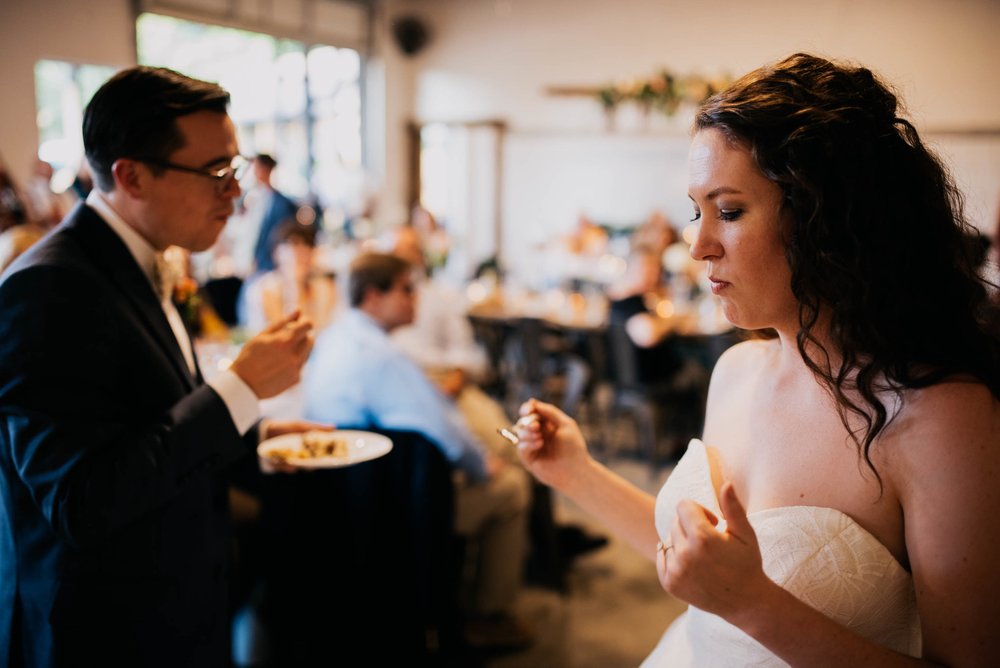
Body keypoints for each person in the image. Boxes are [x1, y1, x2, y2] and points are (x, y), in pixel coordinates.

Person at [514, 53, 1000, 666]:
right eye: (696, 211)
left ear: (828, 220)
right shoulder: (736, 370)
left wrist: (753, 605)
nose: (697, 246)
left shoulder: (941, 417)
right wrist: (574, 472)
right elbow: (703, 563)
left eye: (731, 211)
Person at [0, 66, 320, 668]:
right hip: (104, 632)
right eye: (216, 173)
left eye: (236, 168)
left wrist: (256, 435)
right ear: (131, 176)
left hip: (177, 605)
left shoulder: (143, 259)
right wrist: (240, 388)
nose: (236, 192)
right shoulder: (48, 287)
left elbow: (152, 420)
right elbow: (80, 500)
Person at [303, 252, 534, 650]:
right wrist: (482, 467)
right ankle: (489, 615)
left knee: (502, 447)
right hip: (393, 510)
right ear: (373, 296)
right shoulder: (382, 356)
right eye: (407, 290)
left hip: (341, 497)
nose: (416, 299)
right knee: (512, 487)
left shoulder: (338, 335)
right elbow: (443, 433)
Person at [248, 153, 299, 273]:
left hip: (273, 264)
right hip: (260, 262)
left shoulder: (282, 203)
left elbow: (284, 236)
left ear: (266, 169)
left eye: (256, 168)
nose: (254, 173)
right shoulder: (256, 199)